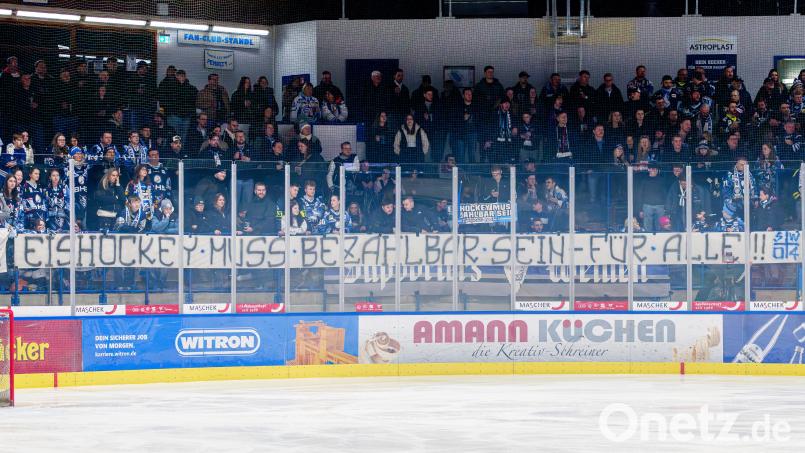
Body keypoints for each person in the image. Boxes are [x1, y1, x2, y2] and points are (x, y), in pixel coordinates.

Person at [636, 164, 668, 232]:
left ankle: (659, 240)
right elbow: (640, 195)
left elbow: (665, 194)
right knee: (647, 227)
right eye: (652, 168)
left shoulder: (662, 180)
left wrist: (665, 207)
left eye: (655, 169)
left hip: (660, 206)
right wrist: (640, 210)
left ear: (657, 170)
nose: (653, 170)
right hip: (647, 206)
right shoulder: (644, 180)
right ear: (648, 169)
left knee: (661, 226)